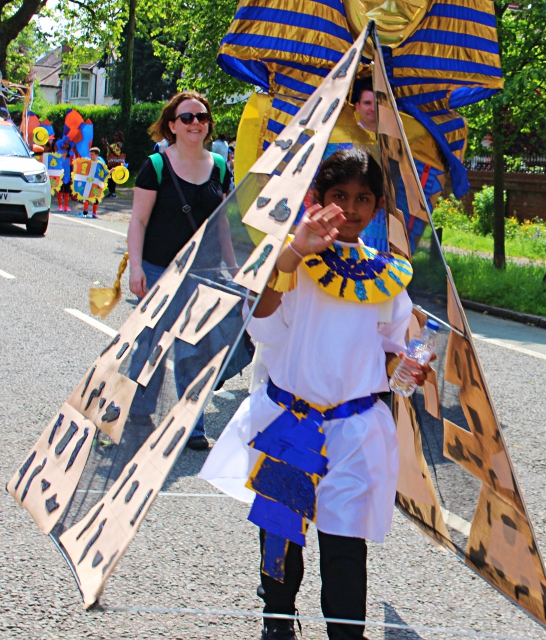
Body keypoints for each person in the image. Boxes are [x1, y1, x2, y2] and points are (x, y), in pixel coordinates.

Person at [199, 148, 430, 640]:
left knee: (346, 547)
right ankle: (277, 621)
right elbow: (260, 320)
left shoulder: (388, 276)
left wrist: (409, 367)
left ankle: (347, 635)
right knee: (281, 540)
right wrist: (294, 252)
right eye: (339, 196)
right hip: (289, 425)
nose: (350, 208)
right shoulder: (292, 261)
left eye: (363, 198)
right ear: (317, 199)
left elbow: (390, 353)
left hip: (354, 431)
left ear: (377, 206)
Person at [127, 90, 236, 451]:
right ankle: (139, 415)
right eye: (187, 117)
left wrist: (233, 268)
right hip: (158, 269)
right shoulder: (155, 166)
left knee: (195, 349)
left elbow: (222, 226)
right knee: (150, 346)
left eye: (202, 117)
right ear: (171, 125)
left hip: (202, 273)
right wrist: (136, 268)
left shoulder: (220, 167)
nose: (195, 123)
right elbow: (138, 221)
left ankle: (192, 425)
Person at [103, 131, 125, 198]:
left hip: (115, 163)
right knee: (109, 177)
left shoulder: (120, 144)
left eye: (116, 135)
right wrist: (104, 143)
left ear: (119, 137)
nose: (114, 137)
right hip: (110, 161)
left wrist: (107, 143)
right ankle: (110, 192)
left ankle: (113, 192)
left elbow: (115, 152)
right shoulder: (113, 144)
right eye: (114, 135)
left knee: (113, 178)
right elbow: (106, 150)